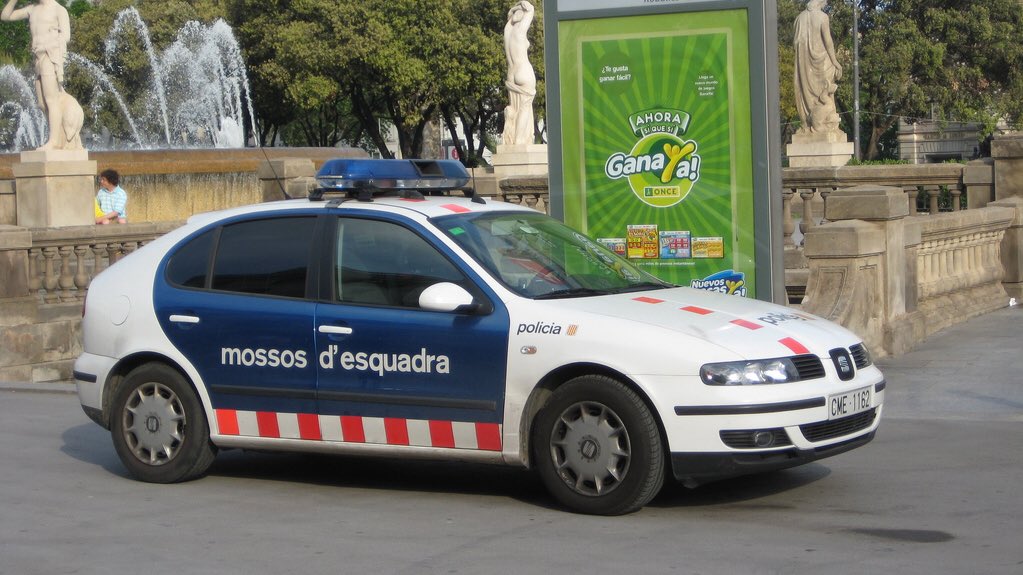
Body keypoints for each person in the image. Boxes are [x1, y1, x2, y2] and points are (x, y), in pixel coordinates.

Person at [1, 0, 75, 151]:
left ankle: (54, 141)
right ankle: (57, 137)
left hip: (49, 55)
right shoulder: (32, 9)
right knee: (42, 103)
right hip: (37, 57)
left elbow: (66, 36)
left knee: (51, 99)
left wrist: (50, 44)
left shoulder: (58, 9)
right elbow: (5, 16)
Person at [793, 0, 842, 135]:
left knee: (806, 93)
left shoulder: (799, 19)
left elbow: (795, 44)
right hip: (822, 63)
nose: (826, 4)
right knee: (826, 92)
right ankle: (827, 124)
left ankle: (806, 124)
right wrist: (835, 61)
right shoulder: (822, 17)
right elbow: (828, 41)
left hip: (804, 66)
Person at [501, 0, 536, 146]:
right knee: (524, 107)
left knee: (514, 108)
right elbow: (531, 9)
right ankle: (519, 140)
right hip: (524, 71)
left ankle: (513, 138)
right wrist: (521, 6)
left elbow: (511, 14)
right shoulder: (520, 31)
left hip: (512, 73)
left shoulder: (507, 30)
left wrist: (514, 9)